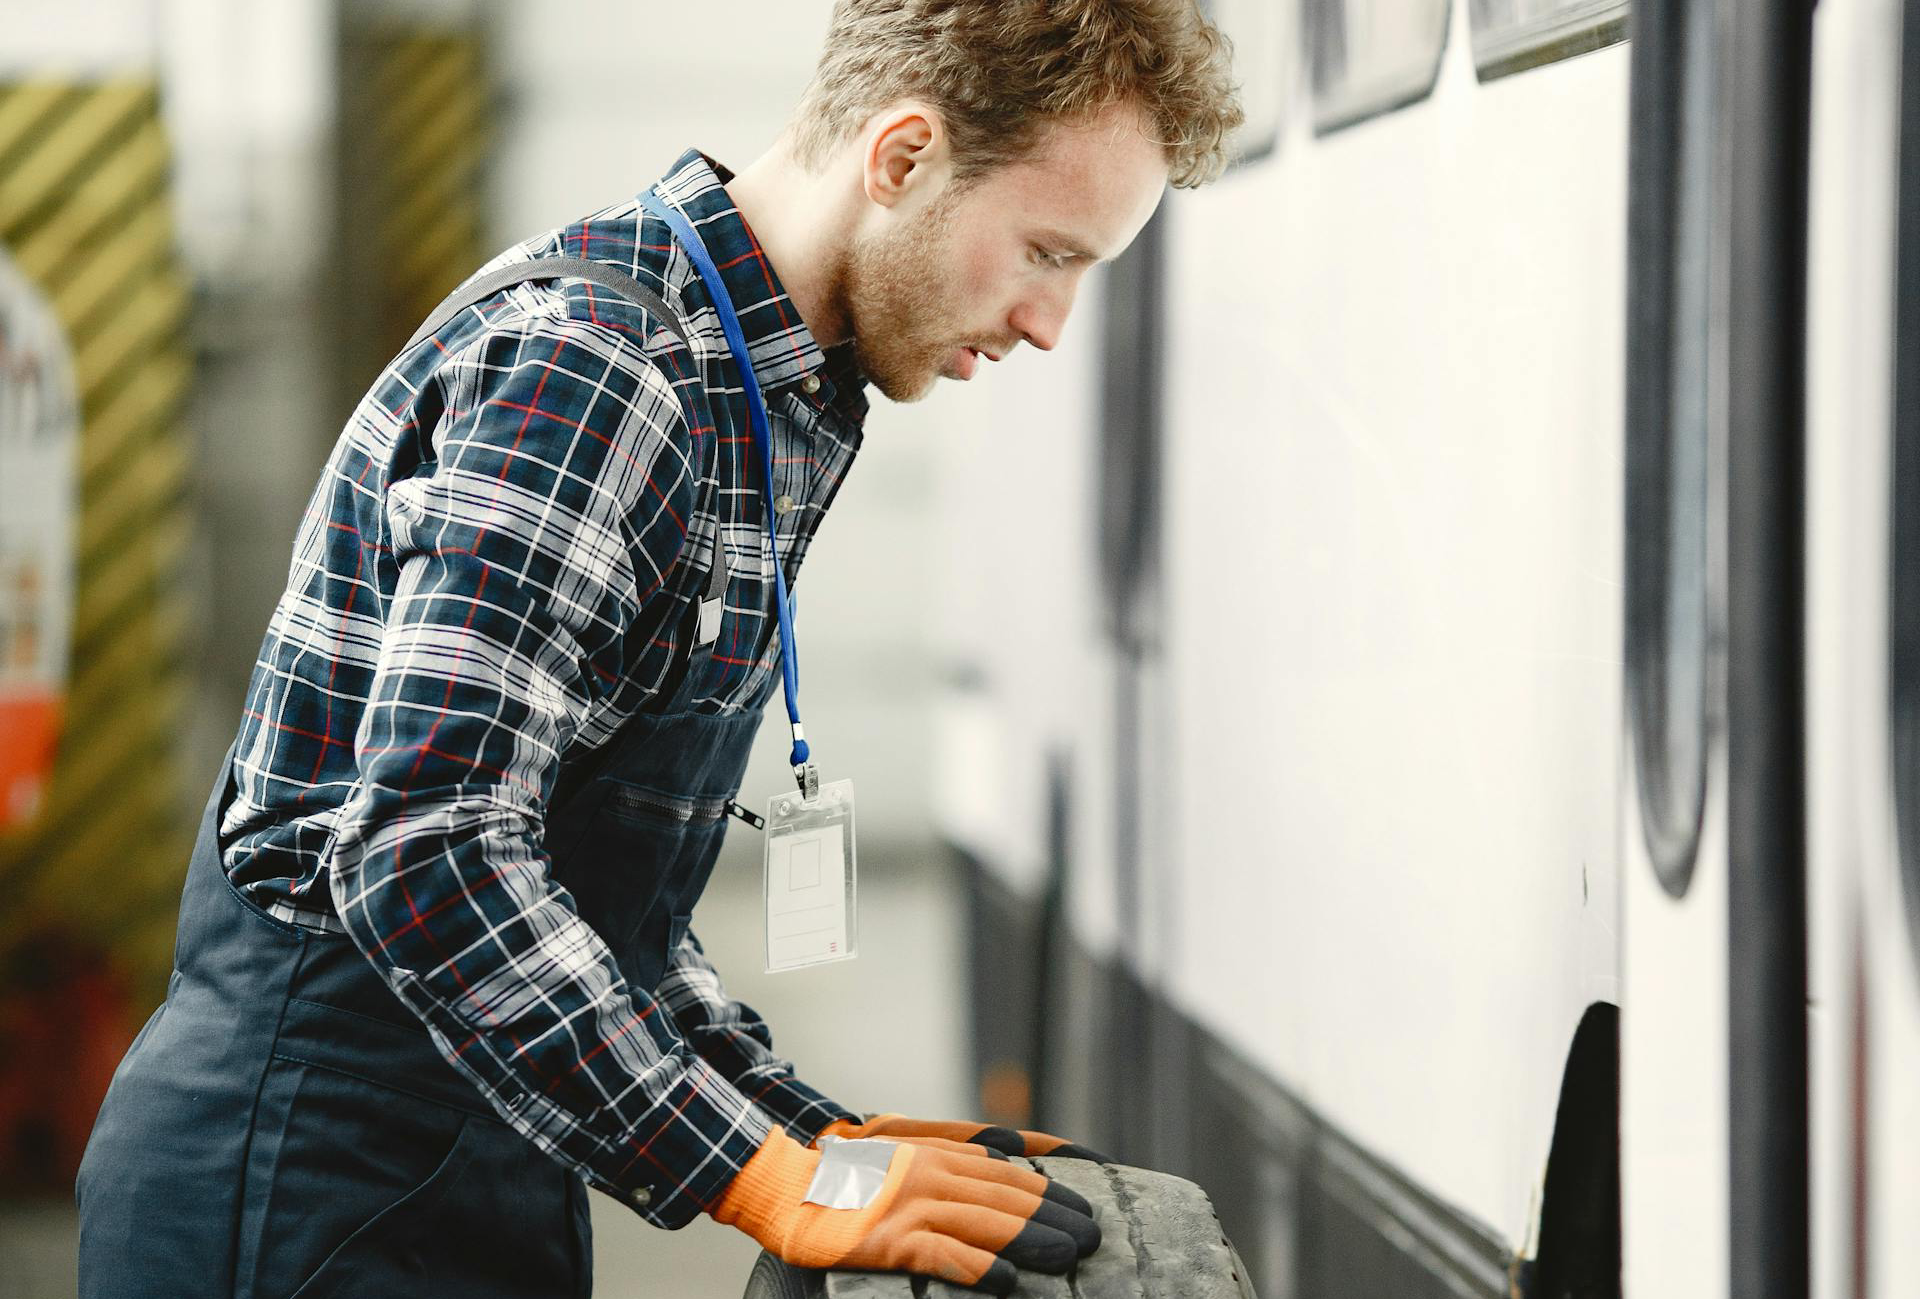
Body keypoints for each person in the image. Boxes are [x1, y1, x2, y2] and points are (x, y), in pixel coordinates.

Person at [76, 1, 1242, 1294]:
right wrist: (759, 1173)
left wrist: (813, 1138)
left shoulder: (763, 392)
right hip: (303, 1181)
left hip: (471, 1156)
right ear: (901, 157)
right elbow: (427, 846)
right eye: (1045, 250)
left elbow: (592, 896)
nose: (1049, 323)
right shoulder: (603, 367)